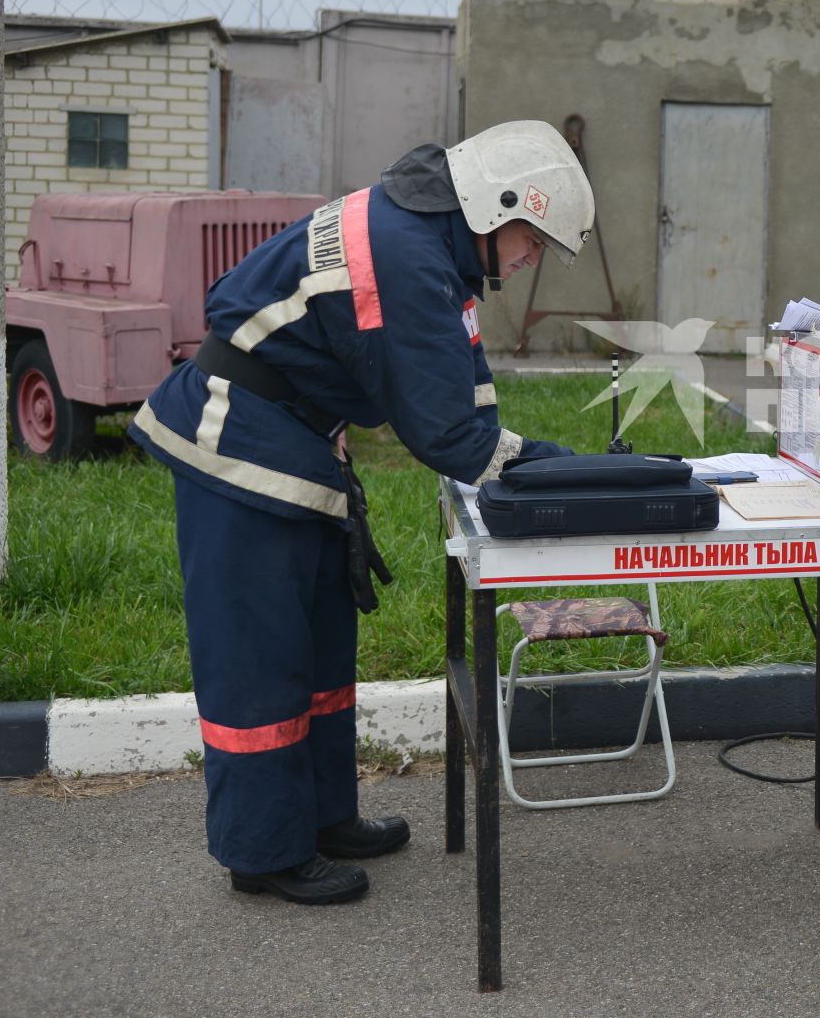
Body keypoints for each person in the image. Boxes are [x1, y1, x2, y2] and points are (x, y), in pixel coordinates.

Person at [130, 119, 595, 904]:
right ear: (495, 205)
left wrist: (527, 456)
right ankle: (264, 852)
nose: (532, 259)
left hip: (295, 438)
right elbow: (446, 432)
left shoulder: (431, 243)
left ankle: (319, 819)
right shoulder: (410, 257)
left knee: (317, 647)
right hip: (241, 443)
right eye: (535, 239)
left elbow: (465, 389)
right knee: (260, 658)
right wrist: (555, 472)